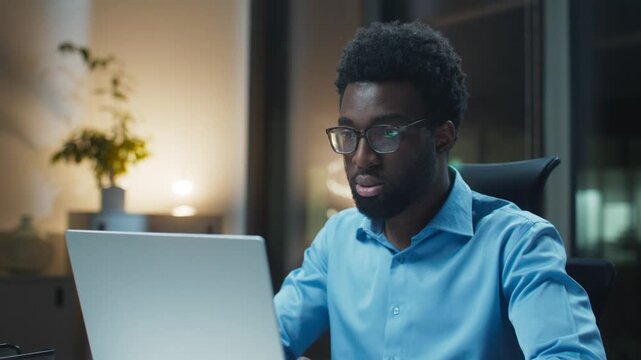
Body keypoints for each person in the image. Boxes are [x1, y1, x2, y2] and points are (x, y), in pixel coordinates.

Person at [274, 21, 605, 359]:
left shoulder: (518, 243)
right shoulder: (337, 239)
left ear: (442, 137)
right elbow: (265, 339)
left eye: (386, 134)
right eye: (349, 135)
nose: (361, 158)